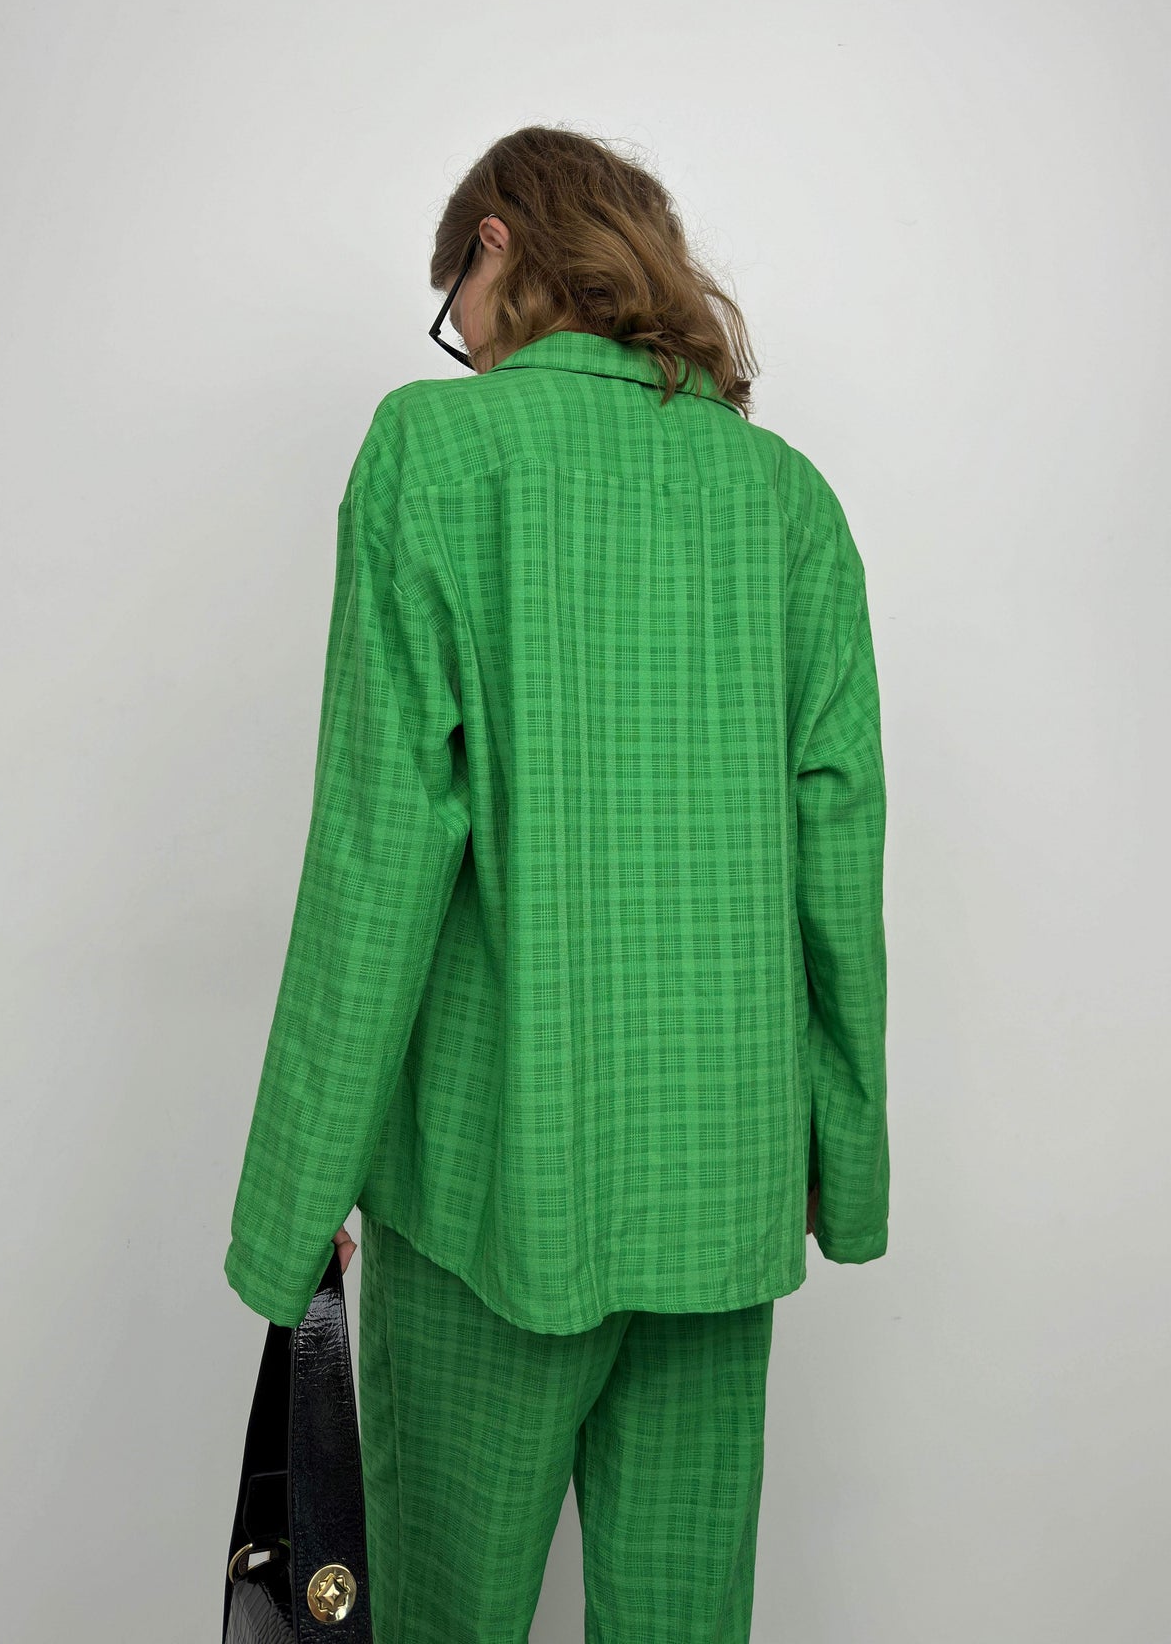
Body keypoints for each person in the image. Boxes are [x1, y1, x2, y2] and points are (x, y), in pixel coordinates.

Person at [224, 123, 889, 1642]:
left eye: (453, 306)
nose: (460, 345)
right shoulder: (787, 500)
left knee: (444, 1622)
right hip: (725, 1184)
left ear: (499, 246)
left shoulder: (434, 452)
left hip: (490, 1187)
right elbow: (839, 851)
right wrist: (838, 1159)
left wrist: (297, 1205)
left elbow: (377, 855)